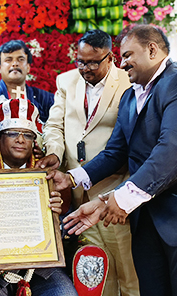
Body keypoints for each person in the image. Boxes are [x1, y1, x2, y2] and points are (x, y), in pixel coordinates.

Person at [54, 25, 177, 296]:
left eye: (128, 54)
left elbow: (173, 148)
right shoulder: (130, 96)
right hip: (148, 219)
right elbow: (115, 152)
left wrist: (121, 198)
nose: (122, 62)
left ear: (152, 49)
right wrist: (73, 177)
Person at [36, 29, 139, 296]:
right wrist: (55, 154)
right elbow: (54, 125)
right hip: (76, 192)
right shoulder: (66, 81)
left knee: (127, 267)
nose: (86, 68)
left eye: (93, 62)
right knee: (93, 269)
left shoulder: (129, 82)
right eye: (81, 61)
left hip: (114, 189)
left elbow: (130, 142)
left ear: (110, 57)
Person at [0, 98, 77, 296]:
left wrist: (55, 216)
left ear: (34, 141)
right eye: (12, 133)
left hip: (42, 267)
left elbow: (64, 221)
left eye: (28, 135)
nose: (20, 140)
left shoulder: (47, 175)